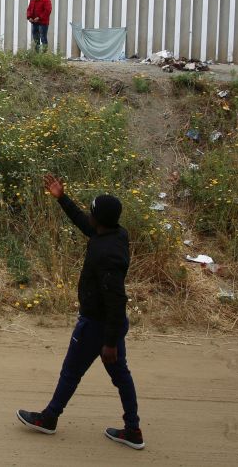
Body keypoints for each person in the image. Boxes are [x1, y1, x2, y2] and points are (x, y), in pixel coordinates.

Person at [17, 174, 144, 451]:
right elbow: (84, 223)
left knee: (71, 372)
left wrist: (109, 342)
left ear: (99, 219)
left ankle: (49, 418)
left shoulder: (106, 254)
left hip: (97, 324)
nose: (89, 215)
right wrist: (61, 198)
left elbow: (116, 298)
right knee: (121, 375)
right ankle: (133, 430)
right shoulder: (115, 234)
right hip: (109, 324)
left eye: (92, 212)